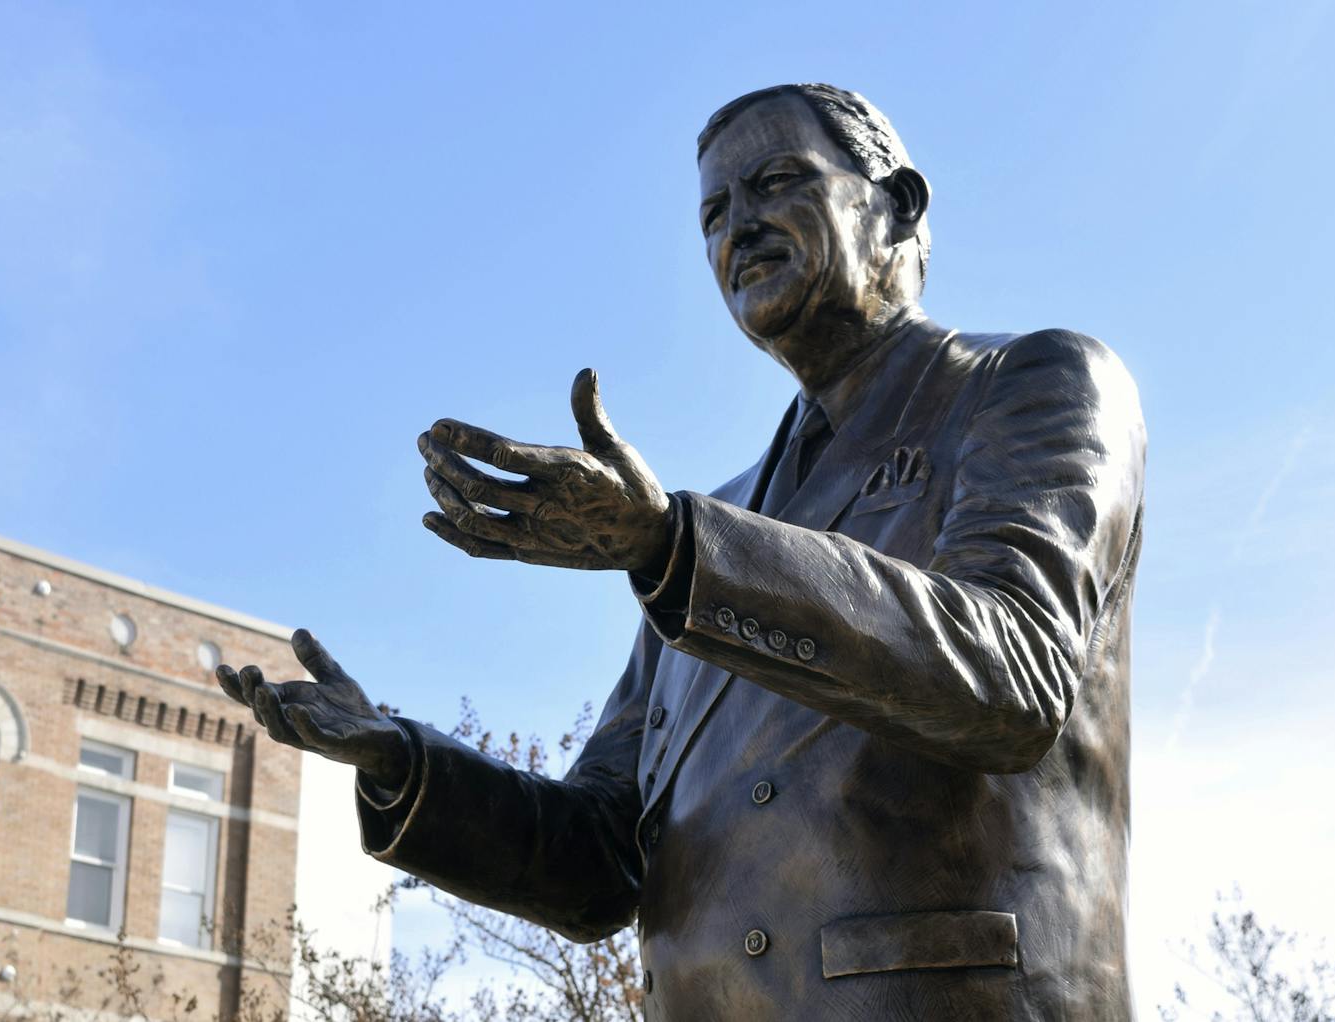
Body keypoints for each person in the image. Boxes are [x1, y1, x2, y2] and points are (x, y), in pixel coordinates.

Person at [219, 84, 1146, 1020]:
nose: (739, 227)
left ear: (896, 204)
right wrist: (402, 764)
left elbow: (1012, 673)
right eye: (714, 212)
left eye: (777, 182)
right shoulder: (709, 530)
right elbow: (599, 860)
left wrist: (671, 546)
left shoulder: (1030, 385)